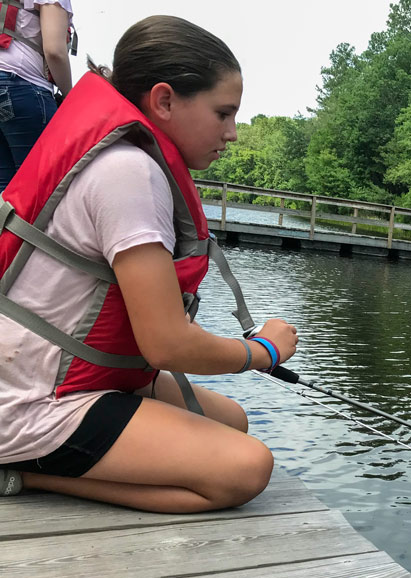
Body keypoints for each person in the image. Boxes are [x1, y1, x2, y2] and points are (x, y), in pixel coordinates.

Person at [0, 15, 299, 513]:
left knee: (233, 423)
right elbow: (165, 343)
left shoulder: (130, 159)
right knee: (244, 469)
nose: (233, 133)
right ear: (164, 100)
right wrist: (263, 350)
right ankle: (28, 475)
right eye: (223, 113)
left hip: (59, 375)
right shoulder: (129, 173)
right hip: (32, 400)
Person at [0, 0, 74, 191]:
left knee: (4, 190)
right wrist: (70, 96)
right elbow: (55, 51)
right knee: (39, 189)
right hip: (22, 86)